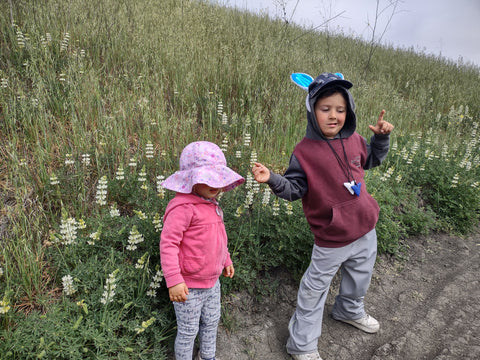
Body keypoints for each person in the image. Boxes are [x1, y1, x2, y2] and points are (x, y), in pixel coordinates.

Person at [252, 72, 394, 360]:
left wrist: (380, 139)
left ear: (349, 111)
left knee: (360, 277)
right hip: (331, 238)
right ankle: (301, 345)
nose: (333, 116)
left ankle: (348, 310)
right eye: (325, 108)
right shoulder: (304, 153)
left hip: (365, 228)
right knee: (314, 290)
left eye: (340, 109)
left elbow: (371, 160)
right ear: (312, 110)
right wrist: (272, 179)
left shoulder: (354, 139)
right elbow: (294, 189)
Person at [160, 141, 244, 360]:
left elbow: (218, 239)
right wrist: (174, 280)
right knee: (188, 331)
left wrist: (226, 260)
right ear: (191, 179)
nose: (214, 184)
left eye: (217, 178)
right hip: (188, 285)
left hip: (212, 282)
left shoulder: (212, 205)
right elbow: (168, 244)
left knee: (211, 322)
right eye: (207, 178)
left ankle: (208, 356)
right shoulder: (183, 208)